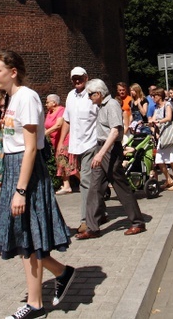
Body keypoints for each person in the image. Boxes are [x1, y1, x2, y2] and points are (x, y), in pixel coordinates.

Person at [0, 50, 75, 319]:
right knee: (22, 237)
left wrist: (20, 190)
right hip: (14, 167)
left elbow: (30, 149)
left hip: (26, 172)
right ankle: (61, 273)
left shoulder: (26, 97)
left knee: (29, 236)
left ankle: (35, 303)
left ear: (13, 71)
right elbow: (7, 140)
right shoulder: (11, 99)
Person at [76, 79, 146, 239]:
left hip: (110, 150)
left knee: (120, 185)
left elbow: (115, 131)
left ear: (99, 94)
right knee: (94, 187)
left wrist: (101, 154)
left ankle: (137, 222)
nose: (89, 98)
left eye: (90, 95)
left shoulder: (112, 105)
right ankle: (93, 227)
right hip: (101, 148)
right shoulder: (101, 106)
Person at [56, 67, 99, 234]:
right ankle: (99, 212)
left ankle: (86, 220)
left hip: (92, 143)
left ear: (86, 77)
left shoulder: (93, 94)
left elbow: (101, 117)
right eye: (74, 78)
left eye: (80, 77)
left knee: (86, 181)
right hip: (76, 145)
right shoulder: (70, 96)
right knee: (93, 180)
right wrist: (61, 142)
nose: (77, 81)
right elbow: (67, 120)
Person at [150, 88, 173, 191]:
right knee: (159, 160)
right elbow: (153, 119)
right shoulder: (157, 108)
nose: (153, 98)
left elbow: (169, 117)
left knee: (172, 160)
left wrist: (158, 121)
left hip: (169, 136)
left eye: (154, 96)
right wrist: (150, 122)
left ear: (159, 96)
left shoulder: (167, 105)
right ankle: (168, 179)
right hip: (162, 137)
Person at [44, 94, 75, 195]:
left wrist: (43, 134)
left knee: (66, 162)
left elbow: (58, 125)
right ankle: (67, 185)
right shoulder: (49, 112)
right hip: (55, 141)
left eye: (47, 102)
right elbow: (46, 126)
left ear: (54, 102)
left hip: (64, 140)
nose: (46, 104)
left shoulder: (62, 111)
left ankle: (85, 181)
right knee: (61, 163)